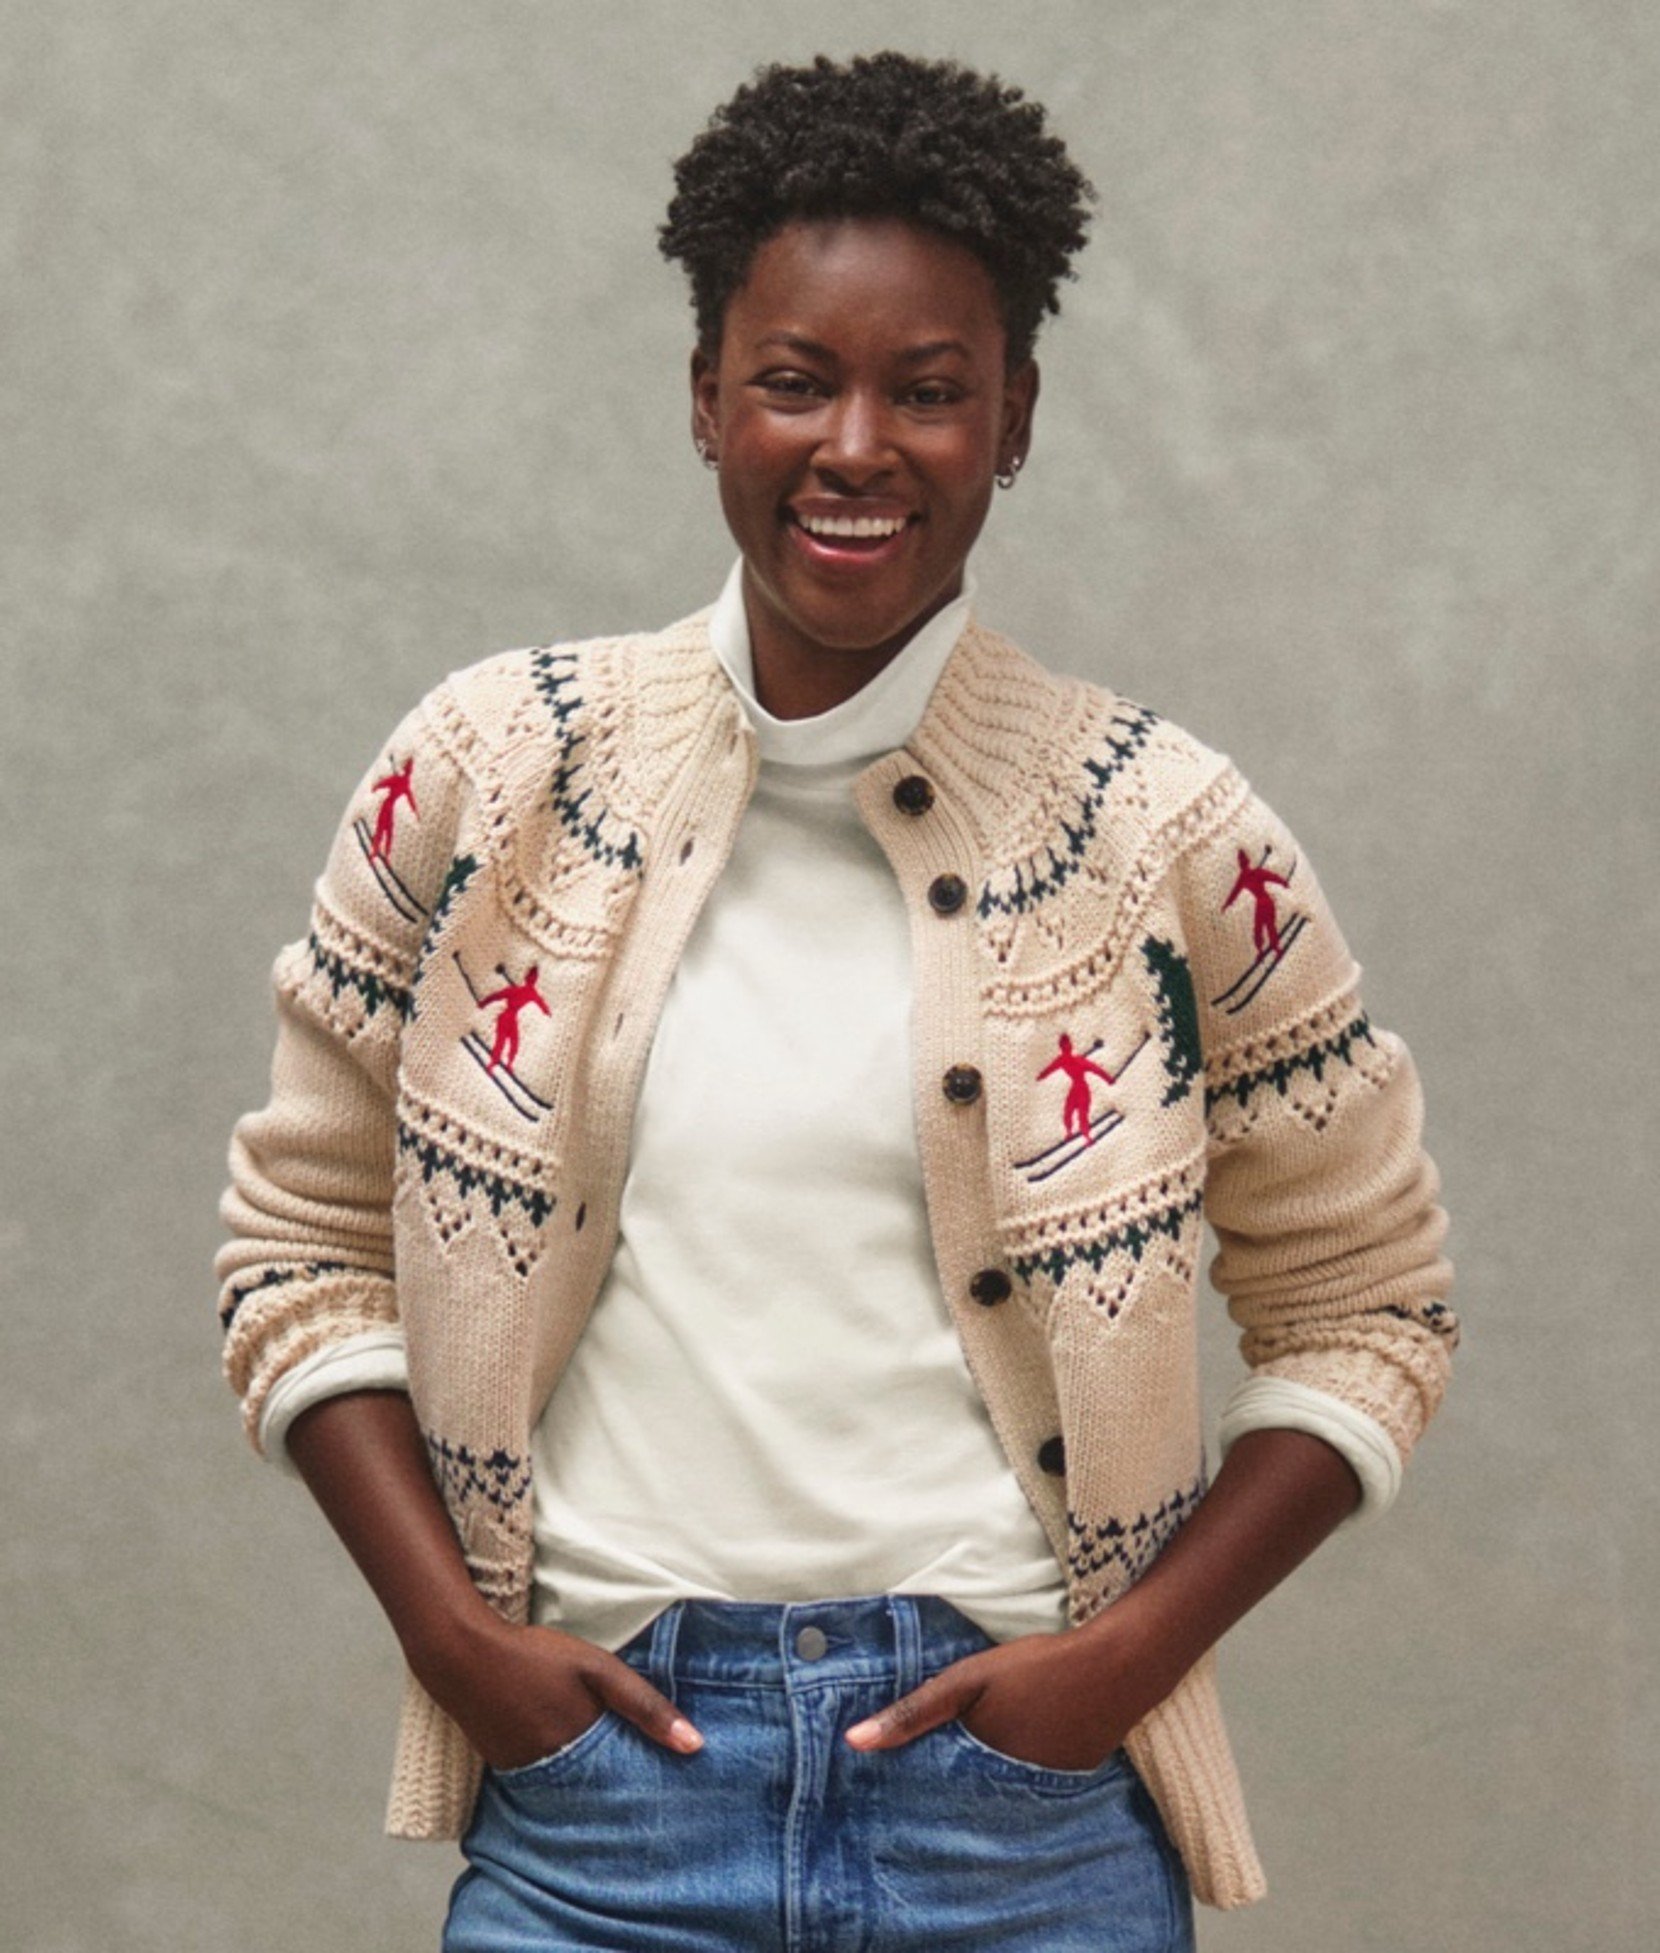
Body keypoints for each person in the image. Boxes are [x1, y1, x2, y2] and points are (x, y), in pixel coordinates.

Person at [217, 51, 1456, 1952]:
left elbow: (1370, 1302)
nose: (856, 443)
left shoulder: (1166, 837)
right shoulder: (485, 774)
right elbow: (298, 1240)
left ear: (1015, 419)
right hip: (609, 1814)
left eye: (930, 389)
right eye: (795, 379)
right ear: (706, 396)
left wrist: (1113, 1665)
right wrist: (457, 1638)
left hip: (1019, 1828)